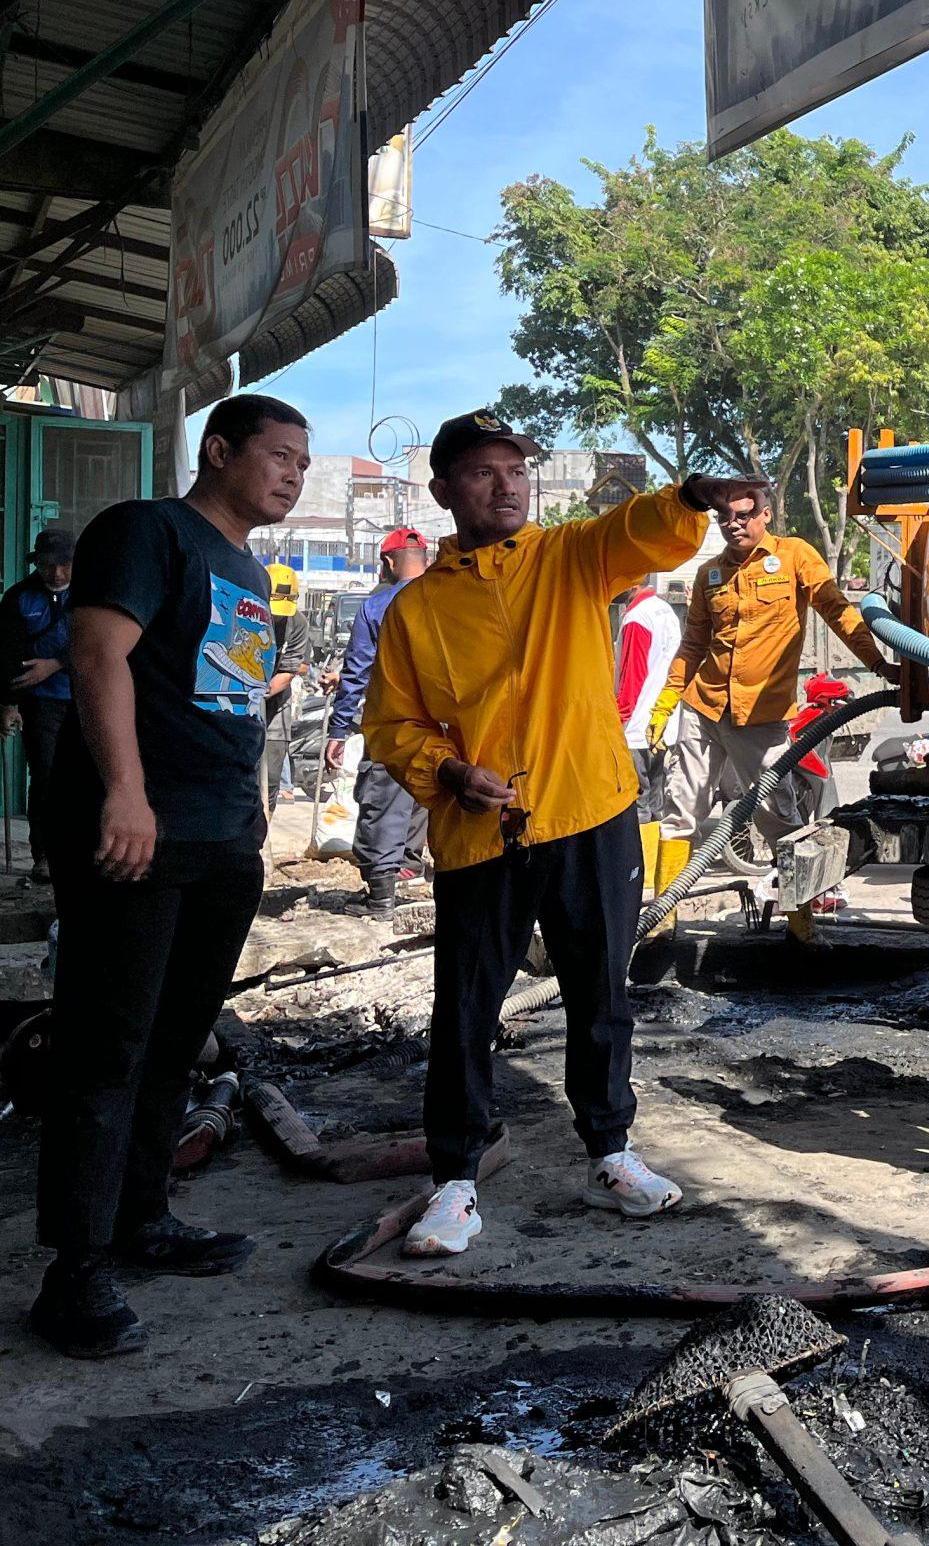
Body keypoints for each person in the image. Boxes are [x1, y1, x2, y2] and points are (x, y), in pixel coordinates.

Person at [363, 410, 757, 1258]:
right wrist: (449, 772)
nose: (506, 486)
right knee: (465, 1009)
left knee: (599, 995)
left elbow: (641, 531)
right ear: (444, 489)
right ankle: (456, 1180)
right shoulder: (415, 610)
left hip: (590, 813)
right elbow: (392, 724)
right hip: (481, 832)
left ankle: (610, 1154)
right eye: (484, 472)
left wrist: (689, 496)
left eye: (516, 471)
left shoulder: (571, 557)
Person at [30, 395, 310, 1357]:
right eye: (279, 455)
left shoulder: (250, 571)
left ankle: (142, 1217)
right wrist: (125, 792)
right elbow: (96, 655)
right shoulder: (147, 530)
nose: (293, 473)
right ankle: (74, 1270)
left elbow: (234, 701)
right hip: (139, 830)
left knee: (175, 1040)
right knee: (105, 1046)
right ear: (218, 451)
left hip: (220, 836)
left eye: (303, 461)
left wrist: (249, 816)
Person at [661, 485, 884, 888]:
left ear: (766, 514)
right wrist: (667, 698)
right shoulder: (709, 573)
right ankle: (662, 916)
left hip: (760, 717)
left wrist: (876, 661)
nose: (733, 524)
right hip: (704, 707)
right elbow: (693, 643)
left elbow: (836, 609)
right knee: (679, 814)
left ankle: (802, 914)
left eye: (743, 515)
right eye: (724, 517)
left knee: (778, 818)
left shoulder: (794, 556)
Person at [325, 528, 432, 915]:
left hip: (394, 722)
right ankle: (409, 866)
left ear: (387, 562)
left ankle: (381, 895)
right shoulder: (452, 596)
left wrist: (339, 730)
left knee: (382, 797)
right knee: (425, 793)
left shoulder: (378, 606)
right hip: (446, 723)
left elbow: (356, 672)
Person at [1, 528, 77, 879]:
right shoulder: (19, 597)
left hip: (87, 698)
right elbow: (6, 653)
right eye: (48, 565)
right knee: (46, 777)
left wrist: (56, 663)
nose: (57, 573)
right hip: (40, 703)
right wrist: (8, 704)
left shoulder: (93, 592)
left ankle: (85, 852)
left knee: (87, 775)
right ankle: (45, 855)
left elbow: (101, 642)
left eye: (64, 564)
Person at [612, 579, 683, 823]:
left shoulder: (637, 618)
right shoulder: (664, 609)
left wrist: (619, 720)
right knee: (655, 803)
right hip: (660, 723)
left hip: (636, 725)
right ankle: (654, 846)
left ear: (632, 583)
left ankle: (642, 847)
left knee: (636, 806)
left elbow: (632, 676)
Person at [262, 561, 311, 805]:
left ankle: (267, 816)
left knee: (271, 779)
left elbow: (289, 669)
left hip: (275, 702)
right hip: (237, 702)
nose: (277, 616)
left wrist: (260, 694)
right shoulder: (242, 613)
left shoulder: (297, 624)